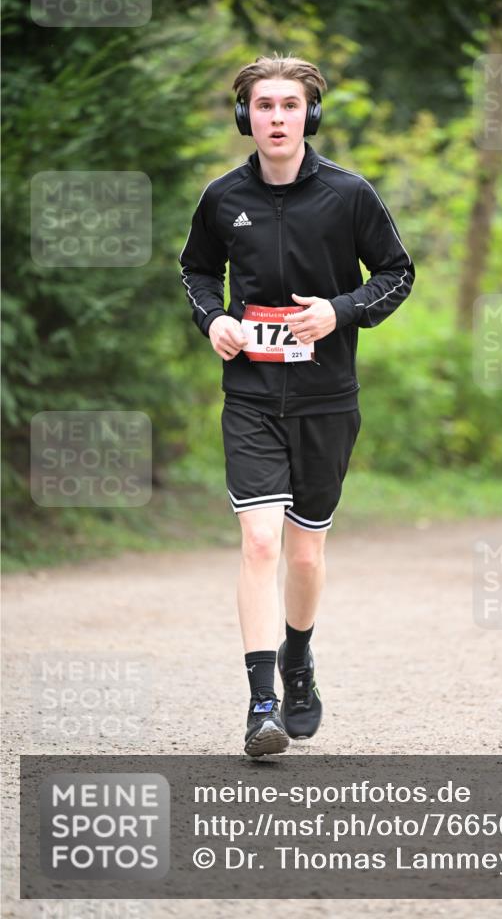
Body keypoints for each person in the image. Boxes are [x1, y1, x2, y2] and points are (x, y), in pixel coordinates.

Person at [180, 54, 414, 757]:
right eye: (262, 105)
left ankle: (298, 659)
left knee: (304, 555)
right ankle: (260, 707)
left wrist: (337, 312)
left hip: (325, 397)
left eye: (287, 106)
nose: (275, 117)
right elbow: (196, 269)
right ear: (243, 116)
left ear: (307, 115)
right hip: (250, 393)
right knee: (258, 542)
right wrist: (214, 319)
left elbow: (397, 273)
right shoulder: (222, 197)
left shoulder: (348, 195)